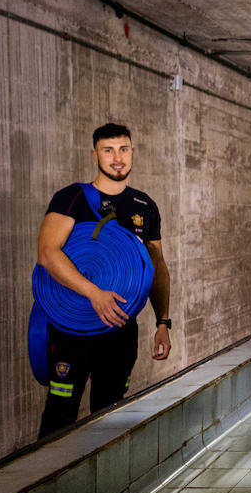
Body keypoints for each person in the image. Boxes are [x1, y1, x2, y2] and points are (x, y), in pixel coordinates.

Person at [36, 123, 172, 439]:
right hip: (71, 329)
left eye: (123, 149)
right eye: (108, 150)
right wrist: (94, 293)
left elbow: (157, 268)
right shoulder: (72, 198)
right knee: (59, 415)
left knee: (110, 414)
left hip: (120, 331)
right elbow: (47, 253)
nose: (117, 158)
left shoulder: (144, 205)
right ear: (95, 154)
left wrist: (163, 322)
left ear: (132, 153)